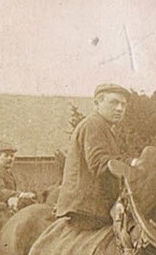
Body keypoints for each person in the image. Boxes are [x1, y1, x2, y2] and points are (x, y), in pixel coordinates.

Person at [52, 83, 135, 229]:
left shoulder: (104, 127)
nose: (120, 108)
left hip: (91, 205)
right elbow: (100, 163)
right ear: (97, 103)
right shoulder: (94, 124)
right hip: (87, 207)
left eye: (123, 104)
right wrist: (133, 164)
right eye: (114, 102)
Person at [0, 141, 36, 234]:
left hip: (6, 211)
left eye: (12, 156)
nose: (10, 158)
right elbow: (0, 193)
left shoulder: (7, 173)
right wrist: (20, 195)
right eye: (6, 155)